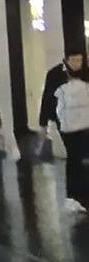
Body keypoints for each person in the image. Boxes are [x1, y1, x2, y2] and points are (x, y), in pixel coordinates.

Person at [55, 59, 89, 210]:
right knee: (84, 160)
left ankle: (73, 195)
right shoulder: (87, 88)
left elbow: (59, 111)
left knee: (73, 161)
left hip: (69, 131)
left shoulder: (62, 90)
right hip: (86, 128)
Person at [40, 46, 85, 147]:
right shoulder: (55, 74)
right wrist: (43, 122)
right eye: (75, 60)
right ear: (68, 60)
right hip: (63, 116)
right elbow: (47, 96)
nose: (78, 64)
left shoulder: (83, 73)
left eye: (80, 60)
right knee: (72, 147)